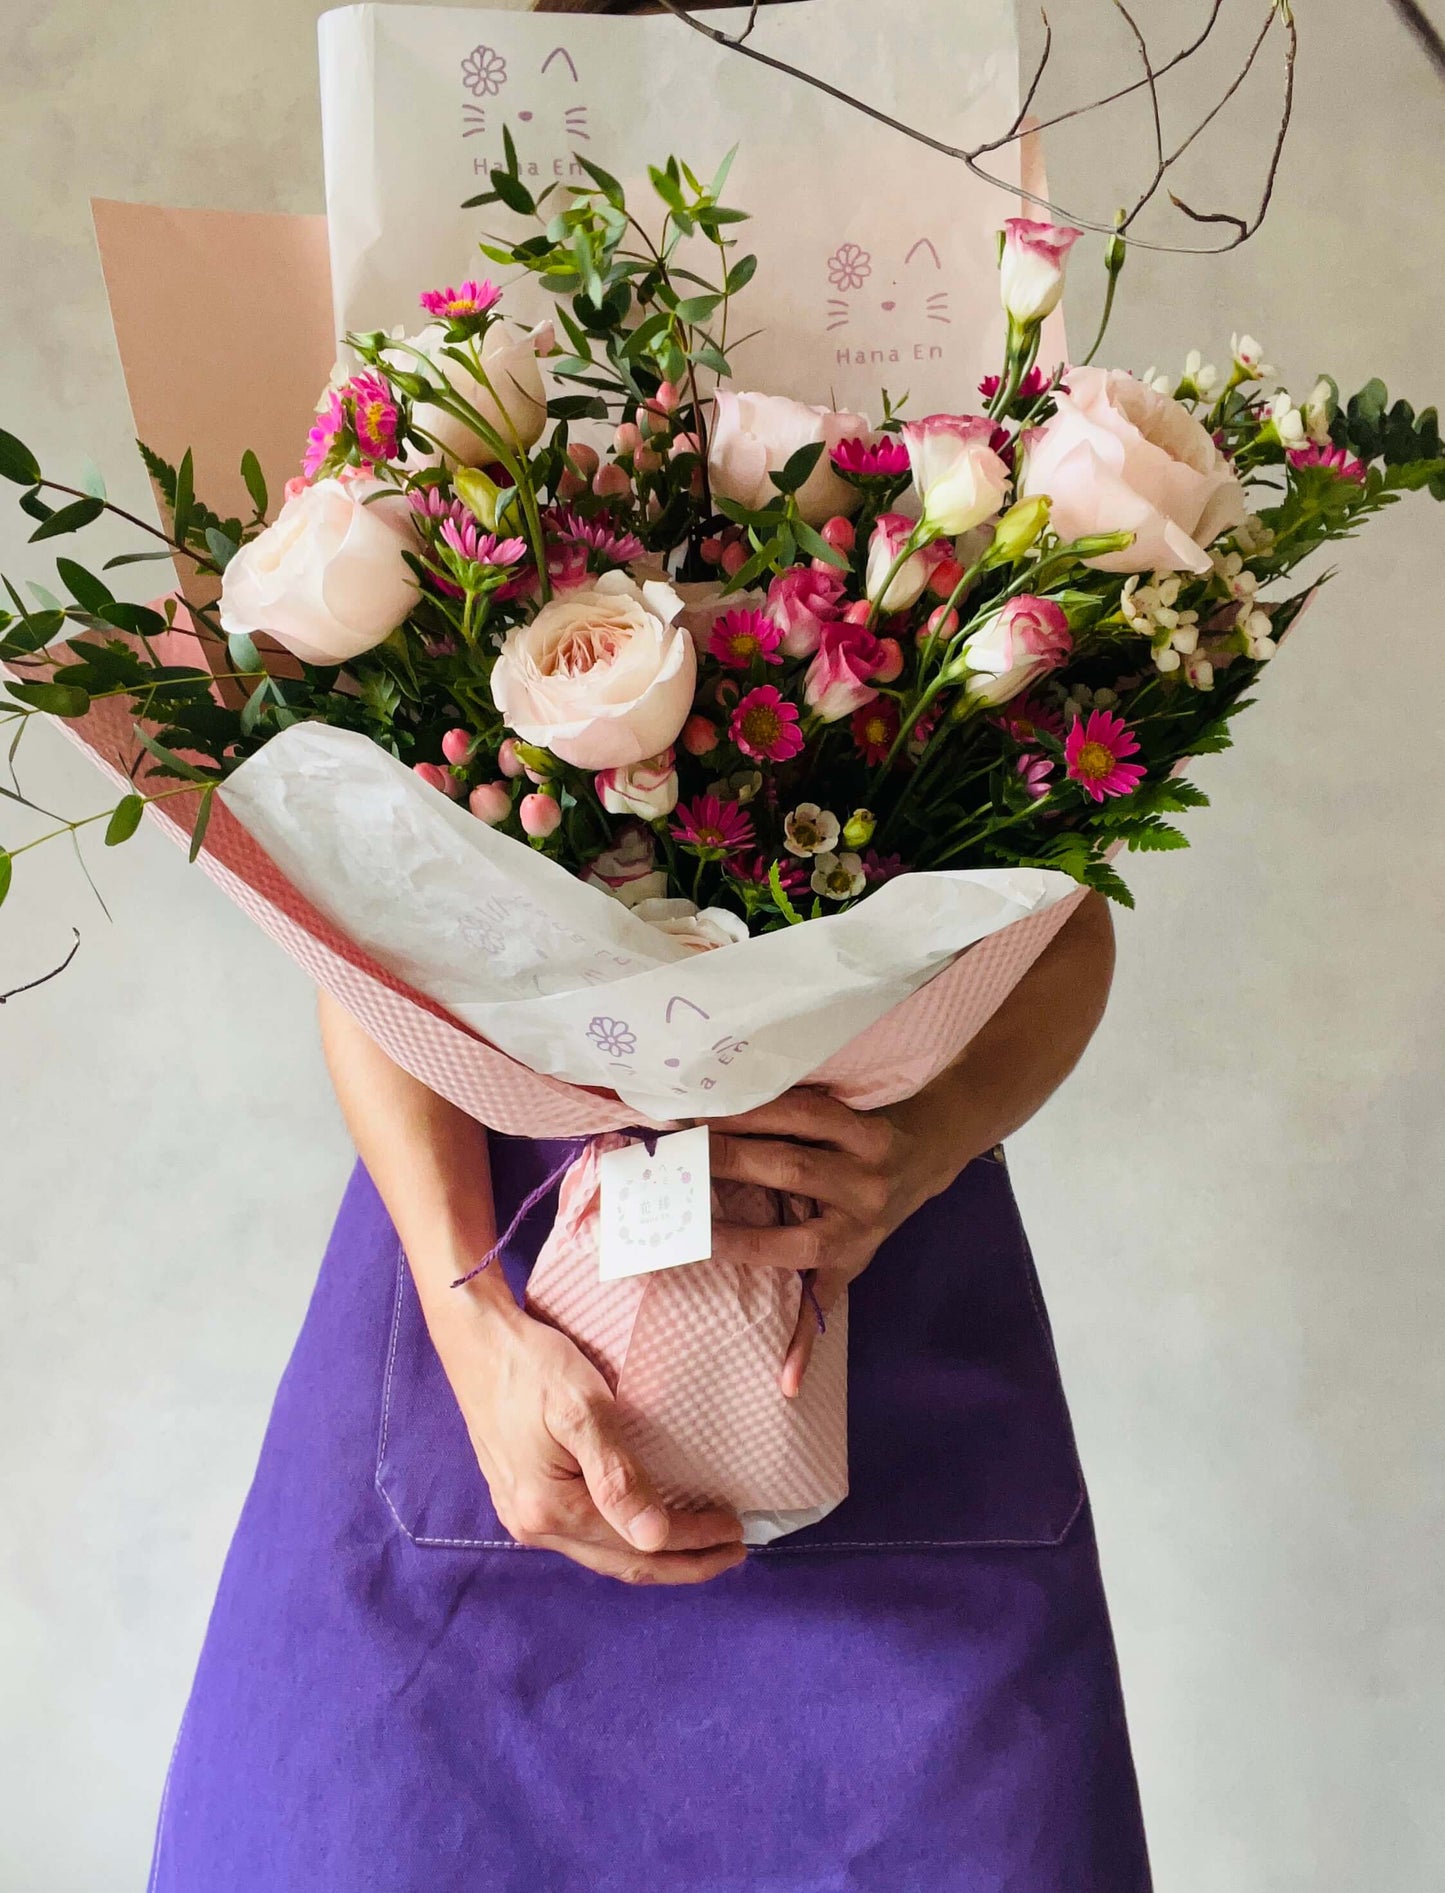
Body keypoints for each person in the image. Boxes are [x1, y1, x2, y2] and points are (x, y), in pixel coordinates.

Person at [147, 4, 1152, 1886]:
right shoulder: (440, 359)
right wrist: (472, 1327)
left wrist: (915, 1152)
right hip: (491, 1303)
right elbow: (360, 937)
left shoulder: (940, 350)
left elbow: (1063, 923)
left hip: (877, 1289)